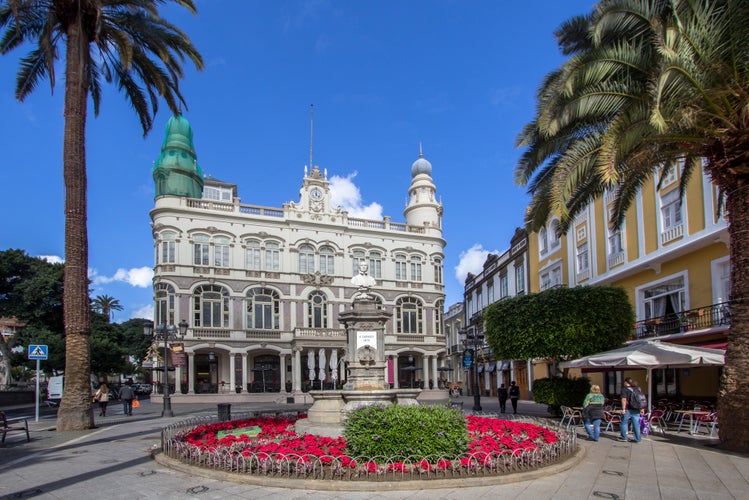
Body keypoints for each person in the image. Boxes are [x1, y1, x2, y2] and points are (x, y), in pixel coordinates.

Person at [620, 377, 644, 443]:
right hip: (637, 409)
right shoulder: (638, 389)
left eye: (625, 382)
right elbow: (640, 399)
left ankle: (624, 437)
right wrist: (642, 408)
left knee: (624, 423)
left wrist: (623, 409)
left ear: (626, 382)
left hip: (628, 409)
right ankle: (638, 439)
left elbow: (624, 399)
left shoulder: (624, 389)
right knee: (636, 424)